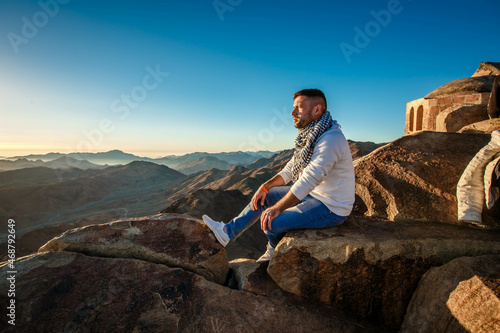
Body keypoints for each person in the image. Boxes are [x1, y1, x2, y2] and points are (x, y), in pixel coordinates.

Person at [203, 88, 355, 262]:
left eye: (299, 107)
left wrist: (278, 208)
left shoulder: (331, 139)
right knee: (264, 196)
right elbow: (292, 168)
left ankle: (274, 251)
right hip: (313, 195)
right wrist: (265, 186)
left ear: (317, 110)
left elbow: (309, 179)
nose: (292, 113)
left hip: (331, 207)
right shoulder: (311, 135)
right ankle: (227, 232)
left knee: (271, 222)